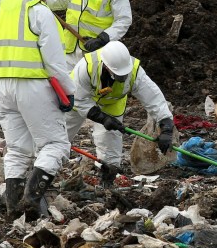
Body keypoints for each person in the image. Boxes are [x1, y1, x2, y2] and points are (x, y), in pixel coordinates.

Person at [0, 0, 75, 220]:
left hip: (0, 86)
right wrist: (68, 93)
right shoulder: (38, 10)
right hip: (31, 85)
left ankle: (13, 208)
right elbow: (55, 60)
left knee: (16, 148)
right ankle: (32, 199)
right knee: (56, 144)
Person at [66, 41, 174, 173]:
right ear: (106, 66)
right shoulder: (87, 67)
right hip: (78, 100)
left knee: (109, 142)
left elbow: (154, 99)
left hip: (112, 103)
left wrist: (166, 126)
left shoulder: (135, 72)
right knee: (60, 135)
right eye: (118, 74)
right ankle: (46, 167)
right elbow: (77, 97)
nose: (122, 77)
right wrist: (101, 118)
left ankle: (108, 174)